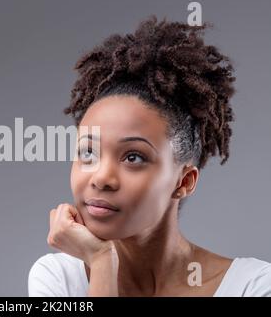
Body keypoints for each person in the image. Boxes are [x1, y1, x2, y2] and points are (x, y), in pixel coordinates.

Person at [28, 17, 271, 297]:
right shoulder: (58, 279)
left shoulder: (253, 287)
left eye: (133, 157)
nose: (101, 178)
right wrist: (102, 261)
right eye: (88, 153)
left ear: (184, 181)